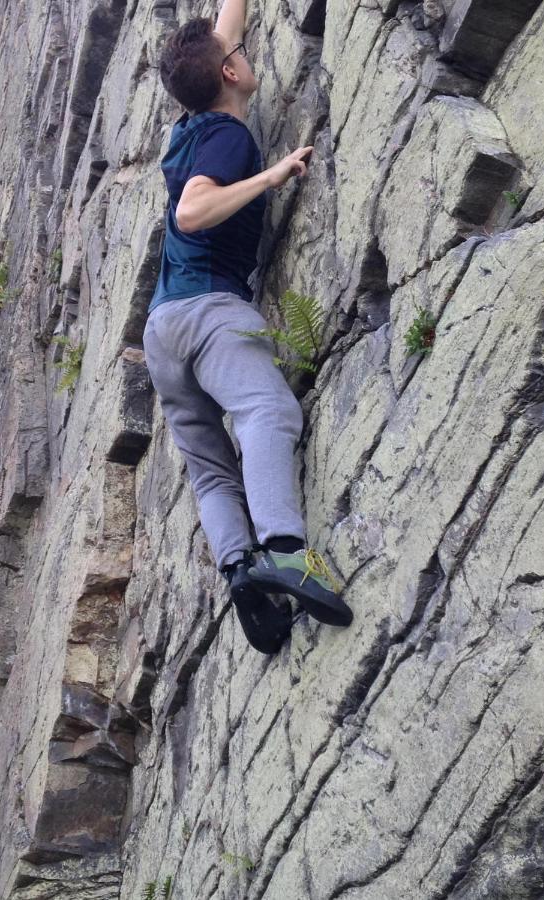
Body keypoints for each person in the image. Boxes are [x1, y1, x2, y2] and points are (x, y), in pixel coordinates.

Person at [142, 11, 353, 654]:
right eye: (240, 51)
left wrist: (222, 32)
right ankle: (285, 552)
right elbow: (193, 208)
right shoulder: (228, 136)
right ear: (231, 72)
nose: (246, 48)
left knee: (210, 470)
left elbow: (222, 32)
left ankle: (240, 570)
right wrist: (271, 175)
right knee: (267, 409)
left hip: (162, 332)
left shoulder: (188, 126)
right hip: (210, 309)